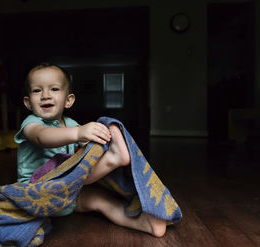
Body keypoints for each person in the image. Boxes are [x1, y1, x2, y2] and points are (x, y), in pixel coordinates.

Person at [14, 63, 166, 237]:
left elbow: (83, 155)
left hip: (66, 199)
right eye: (37, 91)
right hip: (35, 194)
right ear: (27, 102)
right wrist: (79, 132)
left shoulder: (71, 124)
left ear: (69, 100)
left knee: (99, 199)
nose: (45, 95)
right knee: (74, 173)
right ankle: (113, 159)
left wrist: (99, 142)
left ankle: (146, 224)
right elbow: (42, 137)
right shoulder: (31, 123)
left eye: (54, 89)